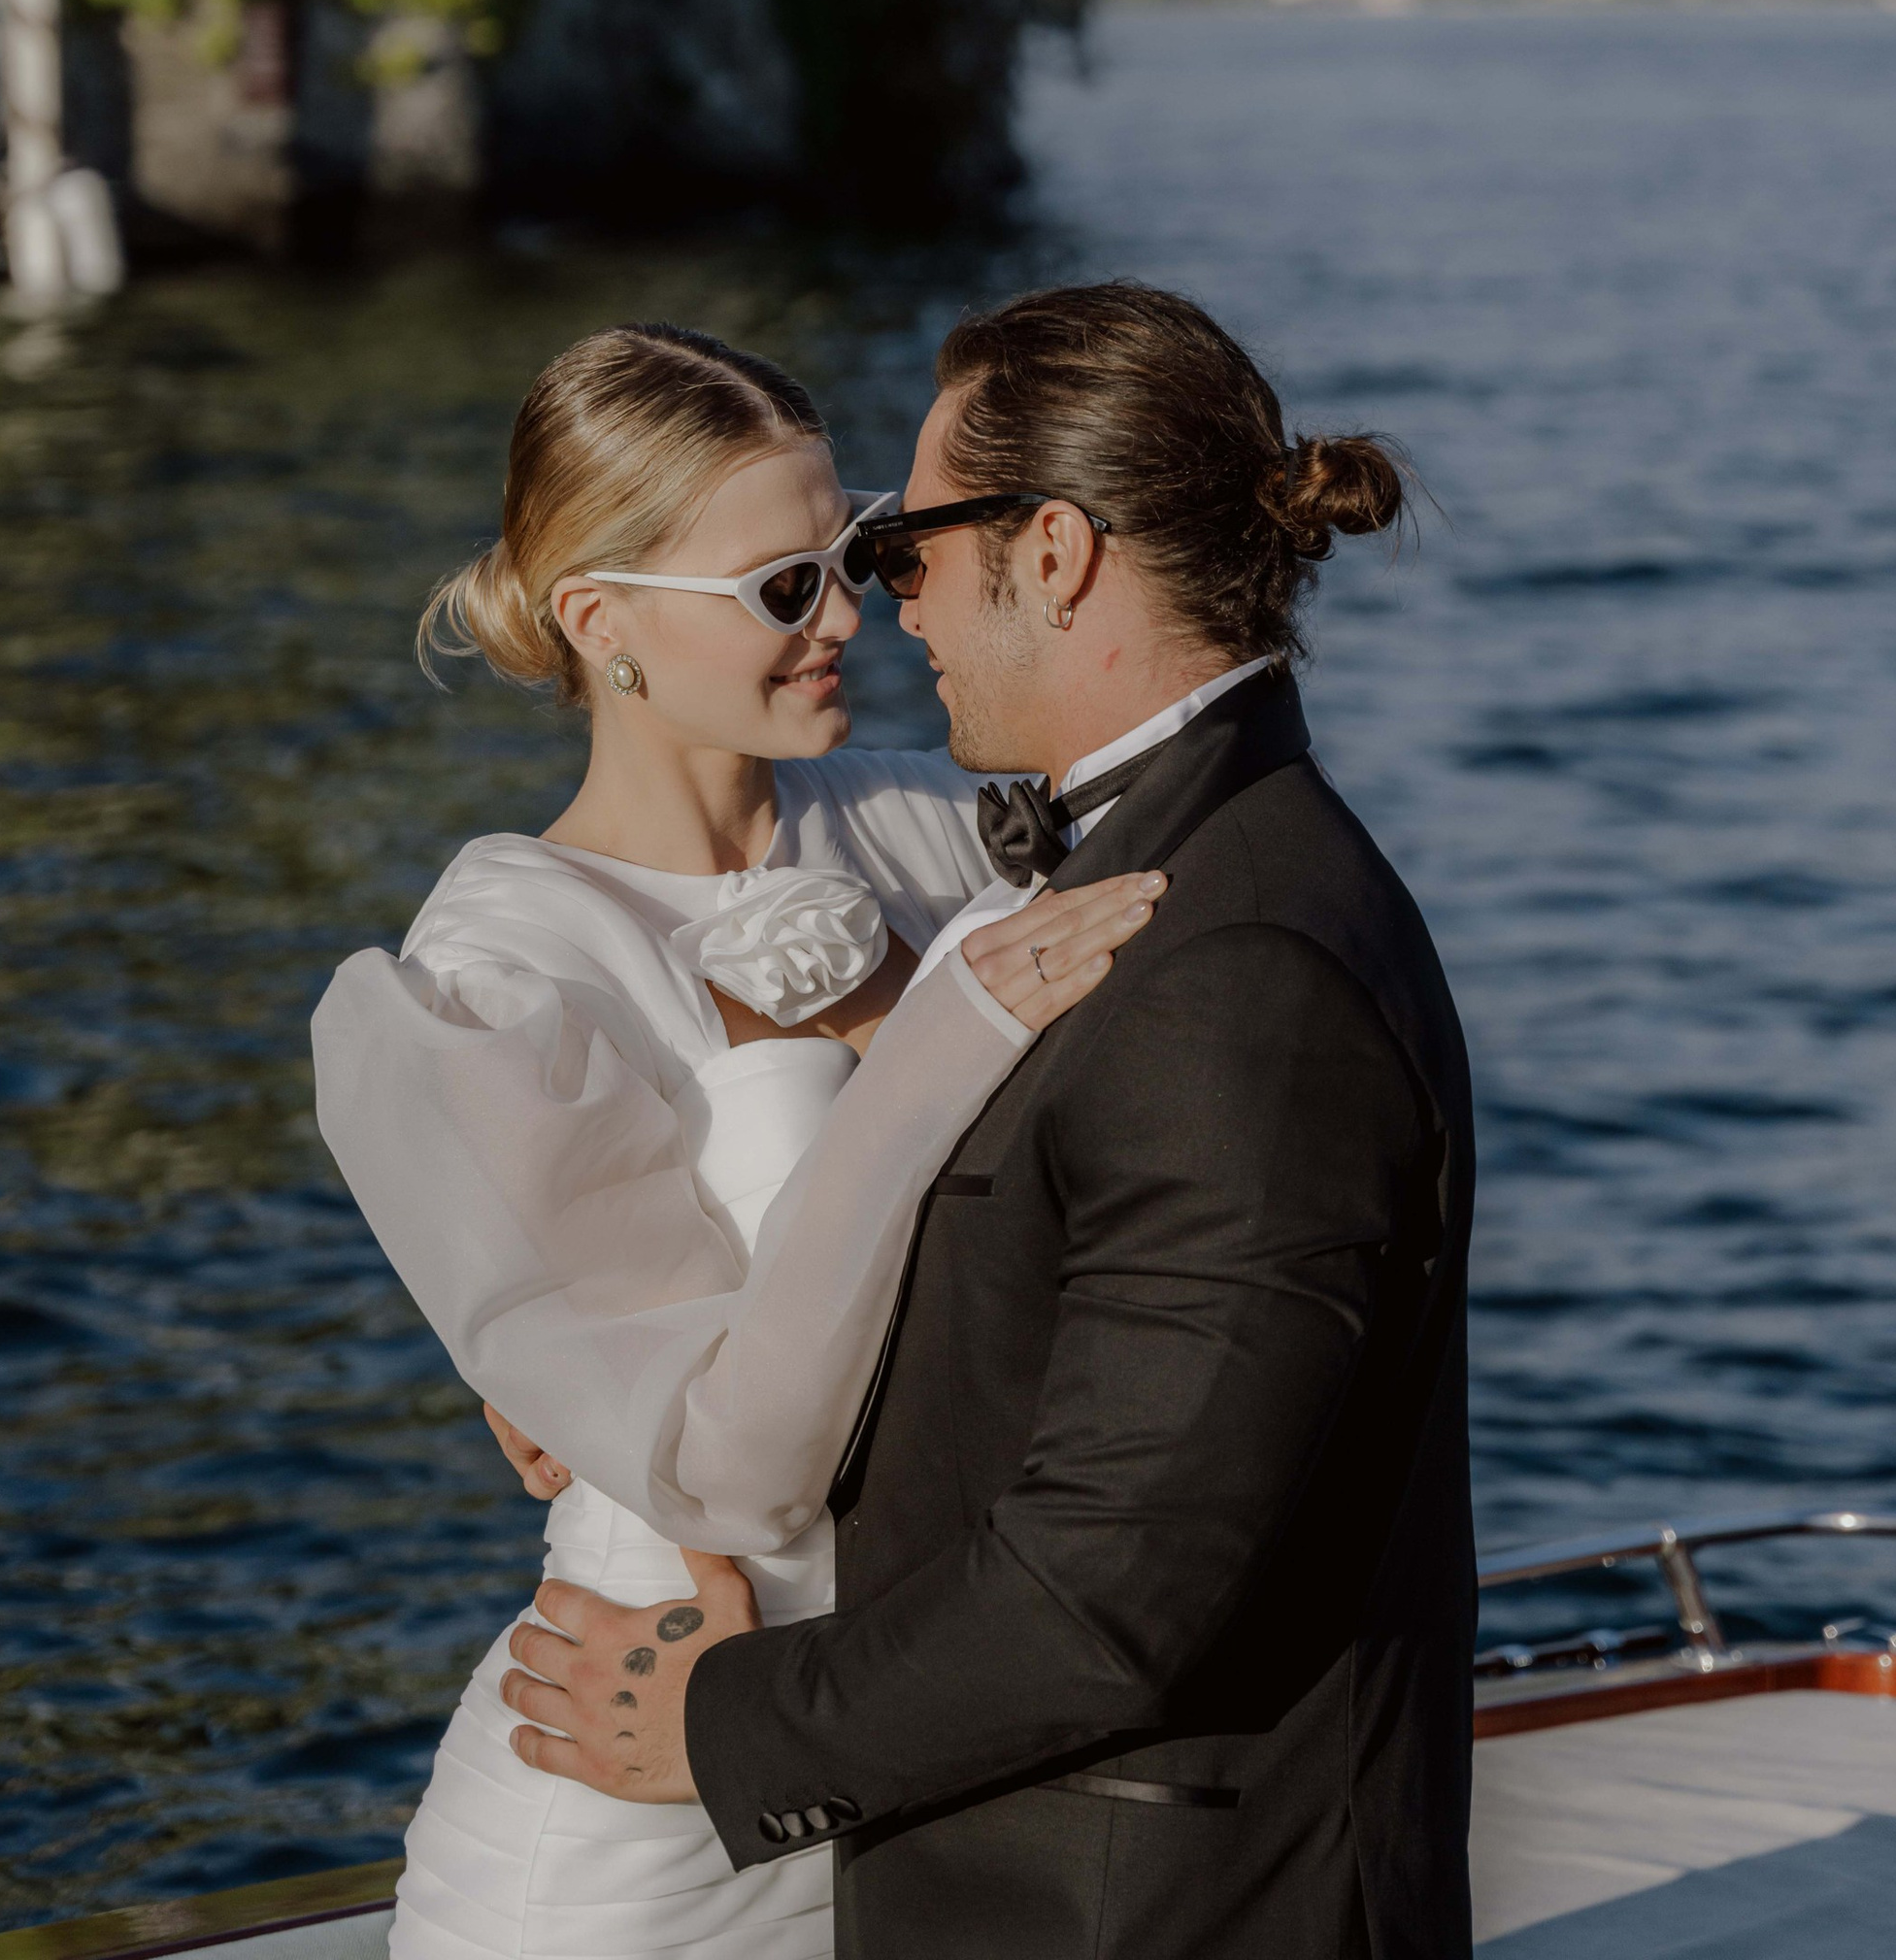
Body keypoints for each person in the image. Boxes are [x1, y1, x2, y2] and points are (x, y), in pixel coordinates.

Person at [501, 282, 1475, 1960]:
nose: (890, 604)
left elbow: (1114, 1590)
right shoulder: (1144, 867)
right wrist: (591, 1366)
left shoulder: (1238, 970)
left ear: (1054, 553)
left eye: (910, 544)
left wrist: (724, 1729)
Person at [311, 319, 1165, 1960]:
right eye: (785, 590)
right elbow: (724, 1454)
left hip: (908, 1746)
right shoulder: (505, 966)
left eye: (849, 558)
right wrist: (939, 1036)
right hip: (637, 1785)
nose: (852, 618)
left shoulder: (939, 820)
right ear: (601, 620)